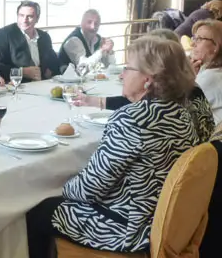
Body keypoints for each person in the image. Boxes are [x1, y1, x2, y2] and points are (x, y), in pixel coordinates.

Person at [27, 37, 200, 256]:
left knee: (38, 211)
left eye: (128, 68)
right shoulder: (182, 113)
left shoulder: (133, 119)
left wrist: (56, 185)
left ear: (148, 79)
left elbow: (89, 189)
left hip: (129, 229)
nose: (122, 74)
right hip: (166, 221)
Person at [75, 28, 216, 142]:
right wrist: (93, 101)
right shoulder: (188, 92)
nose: (122, 75)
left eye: (129, 68)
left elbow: (100, 170)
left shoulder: (139, 118)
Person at [0, 0, 60, 82]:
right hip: (16, 86)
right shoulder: (4, 35)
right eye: (21, 15)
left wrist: (49, 71)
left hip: (42, 84)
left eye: (29, 16)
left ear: (37, 19)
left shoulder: (44, 37)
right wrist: (21, 72)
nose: (25, 20)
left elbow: (54, 63)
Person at [189, 19, 222, 127]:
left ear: (216, 47)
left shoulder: (211, 77)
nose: (192, 44)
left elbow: (180, 110)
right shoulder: (210, 71)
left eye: (199, 39)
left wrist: (187, 79)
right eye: (194, 38)